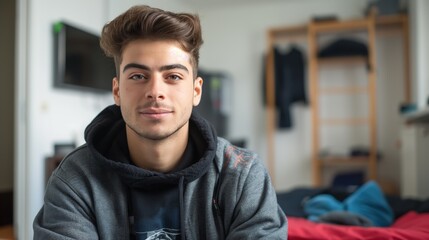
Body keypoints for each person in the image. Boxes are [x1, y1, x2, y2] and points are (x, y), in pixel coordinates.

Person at [33, 5, 287, 239]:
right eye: (138, 75)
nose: (155, 91)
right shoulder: (76, 179)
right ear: (117, 91)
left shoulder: (242, 176)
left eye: (173, 76)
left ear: (196, 91)